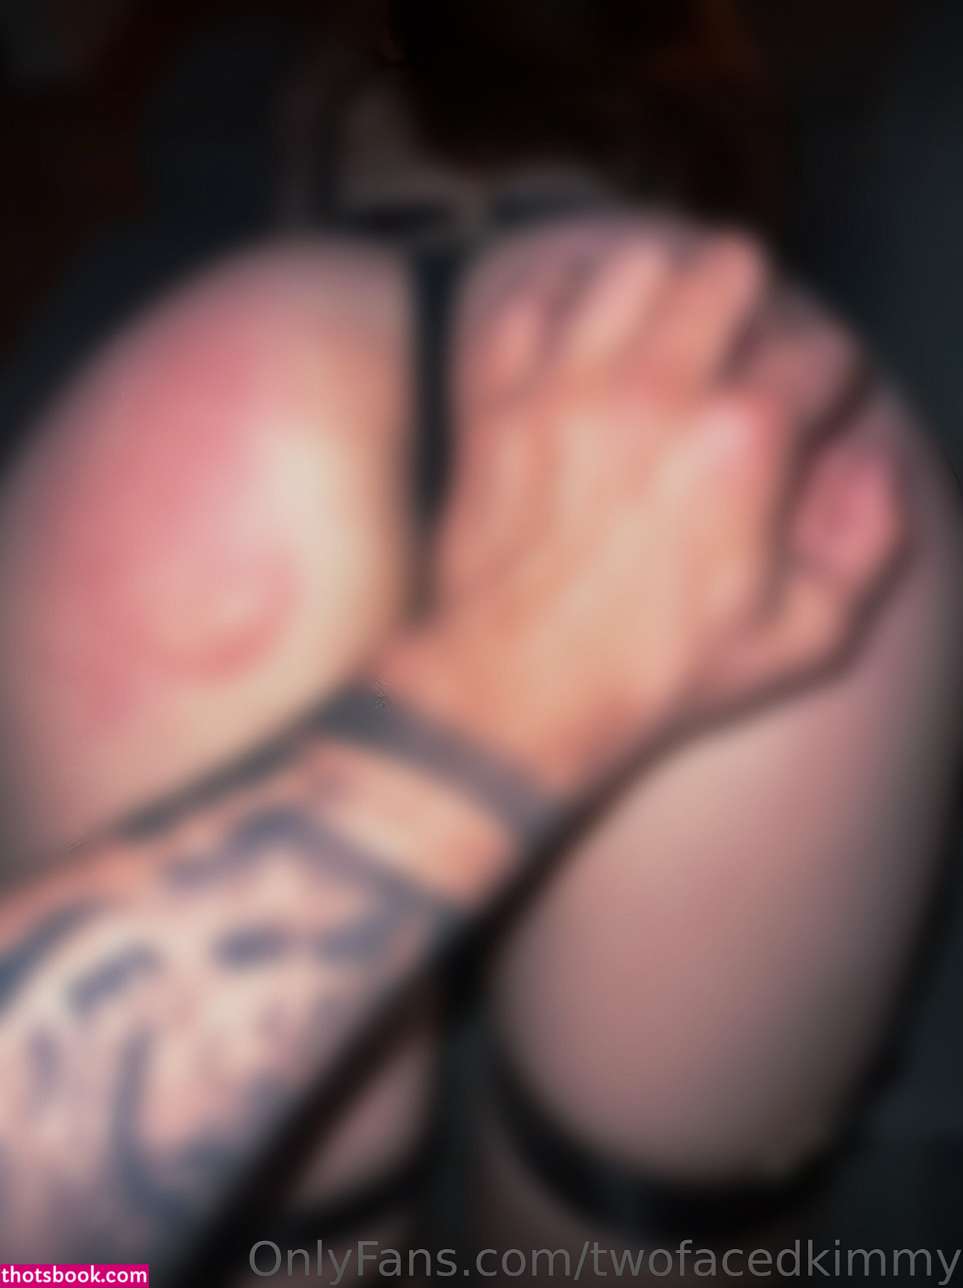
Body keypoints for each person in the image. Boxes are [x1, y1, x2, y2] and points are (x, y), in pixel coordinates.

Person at [0, 204, 955, 1287]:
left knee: (261, 1249)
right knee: (628, 1243)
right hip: (716, 425)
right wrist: (523, 675)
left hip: (218, 402)